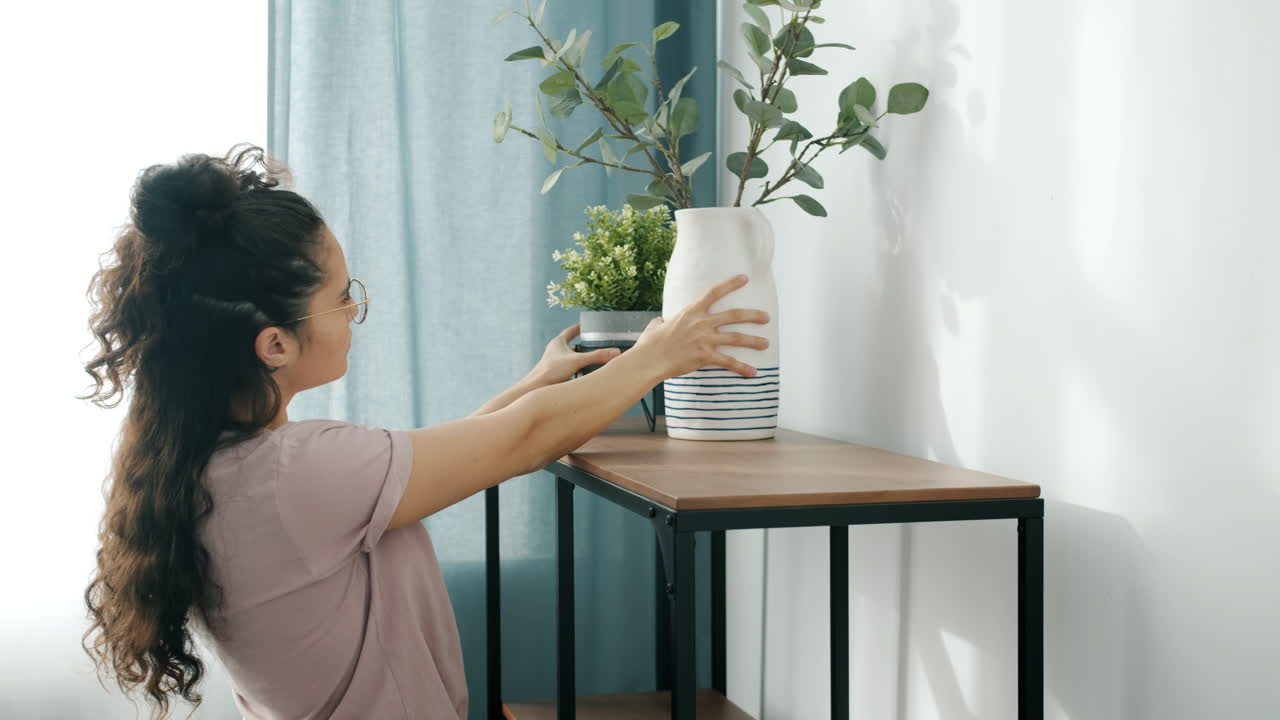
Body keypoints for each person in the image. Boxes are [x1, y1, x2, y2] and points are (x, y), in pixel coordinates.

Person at [79, 144, 770, 719]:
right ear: (274, 345)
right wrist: (660, 353)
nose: (354, 309)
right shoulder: (294, 473)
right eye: (342, 294)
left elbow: (440, 461)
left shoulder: (222, 467)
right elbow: (516, 444)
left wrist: (536, 383)